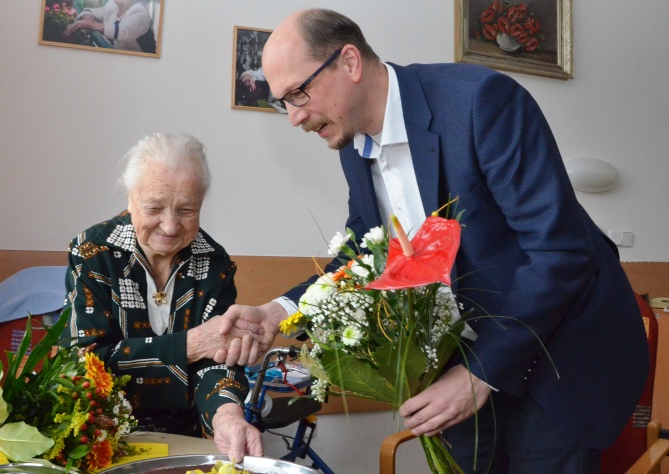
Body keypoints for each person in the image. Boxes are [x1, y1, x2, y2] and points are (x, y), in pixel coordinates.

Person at [216, 8, 650, 473]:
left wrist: (481, 372)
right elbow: (366, 253)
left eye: (299, 93)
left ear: (349, 62)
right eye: (284, 102)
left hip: (557, 360)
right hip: (461, 358)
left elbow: (559, 252)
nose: (295, 117)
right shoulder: (352, 145)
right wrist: (279, 314)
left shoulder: (481, 102)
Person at [60, 132, 264, 463]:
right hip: (100, 439)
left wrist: (227, 415)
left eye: (187, 209)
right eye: (154, 207)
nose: (170, 226)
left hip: (183, 442)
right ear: (130, 198)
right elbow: (86, 362)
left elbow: (218, 362)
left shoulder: (215, 264)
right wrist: (191, 345)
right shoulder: (93, 254)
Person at [63, 0, 157, 53]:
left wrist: (87, 24)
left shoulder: (140, 12)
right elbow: (90, 11)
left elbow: (123, 32)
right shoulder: (112, 5)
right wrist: (87, 19)